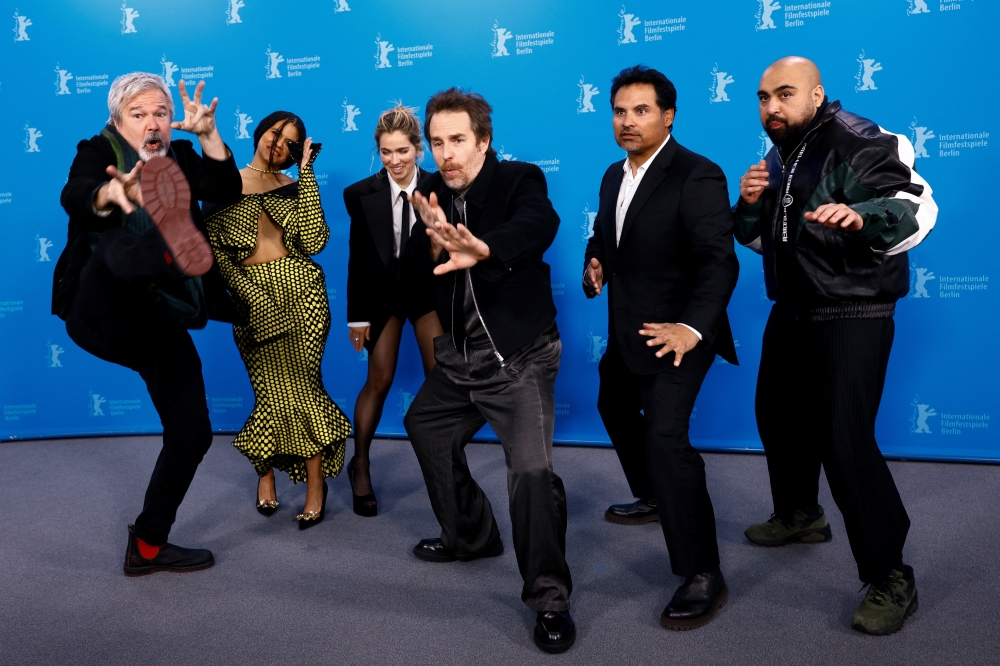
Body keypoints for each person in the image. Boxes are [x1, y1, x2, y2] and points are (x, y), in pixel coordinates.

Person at [733, 56, 936, 635]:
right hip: (794, 309)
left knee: (844, 440)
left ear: (817, 94)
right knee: (777, 416)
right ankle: (800, 514)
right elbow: (764, 239)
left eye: (785, 94)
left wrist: (864, 214)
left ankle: (891, 574)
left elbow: (916, 204)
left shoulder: (858, 138)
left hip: (853, 311)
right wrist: (749, 205)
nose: (771, 107)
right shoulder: (781, 154)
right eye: (763, 96)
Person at [403, 88, 575, 654]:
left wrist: (486, 247)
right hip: (460, 359)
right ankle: (471, 536)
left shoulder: (520, 179)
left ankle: (550, 600)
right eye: (437, 143)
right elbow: (417, 270)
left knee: (530, 473)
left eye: (457, 141)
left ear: (483, 141)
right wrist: (427, 247)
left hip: (518, 358)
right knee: (425, 426)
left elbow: (539, 224)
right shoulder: (428, 190)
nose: (446, 154)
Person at [53, 73, 242, 574]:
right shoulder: (98, 150)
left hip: (155, 315)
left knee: (192, 432)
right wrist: (105, 197)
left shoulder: (177, 156)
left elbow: (226, 188)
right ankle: (168, 251)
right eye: (139, 115)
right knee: (114, 251)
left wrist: (207, 137)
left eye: (160, 113)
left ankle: (149, 545)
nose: (152, 123)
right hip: (101, 306)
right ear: (117, 121)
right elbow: (75, 191)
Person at [583, 65, 740, 630]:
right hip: (629, 330)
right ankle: (654, 495)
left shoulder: (697, 175)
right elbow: (607, 237)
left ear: (668, 115)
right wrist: (593, 260)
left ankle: (704, 573)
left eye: (641, 110)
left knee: (666, 438)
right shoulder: (611, 175)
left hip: (680, 336)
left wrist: (691, 330)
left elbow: (719, 263)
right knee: (613, 403)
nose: (627, 122)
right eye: (620, 111)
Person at [204, 111, 350, 529]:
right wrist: (253, 300)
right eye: (275, 134)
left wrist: (305, 175)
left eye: (289, 142)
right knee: (269, 392)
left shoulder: (293, 185)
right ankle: (265, 476)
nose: (278, 144)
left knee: (305, 386)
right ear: (259, 133)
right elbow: (218, 256)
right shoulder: (224, 184)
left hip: (304, 292)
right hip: (253, 297)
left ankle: (315, 487)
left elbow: (315, 242)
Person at [343, 104, 443, 517]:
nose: (395, 161)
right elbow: (359, 259)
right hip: (383, 295)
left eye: (402, 151)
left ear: (419, 149)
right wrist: (357, 316)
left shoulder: (443, 187)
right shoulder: (360, 194)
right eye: (386, 152)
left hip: (427, 290)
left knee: (441, 374)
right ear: (377, 151)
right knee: (379, 378)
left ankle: (443, 463)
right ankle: (360, 462)